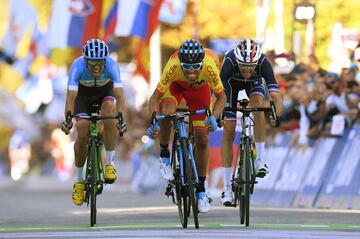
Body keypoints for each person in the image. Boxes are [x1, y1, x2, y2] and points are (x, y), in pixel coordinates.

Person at [148, 39, 227, 213]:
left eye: (195, 69)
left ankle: (200, 191)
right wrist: (153, 119)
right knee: (167, 111)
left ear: (202, 64)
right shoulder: (174, 64)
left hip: (200, 92)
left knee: (202, 137)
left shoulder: (209, 65)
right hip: (175, 87)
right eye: (187, 69)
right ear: (181, 64)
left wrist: (214, 117)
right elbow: (155, 97)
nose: (191, 74)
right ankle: (164, 154)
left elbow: (222, 97)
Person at [61, 39, 127, 206]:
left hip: (105, 93)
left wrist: (121, 118)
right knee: (82, 132)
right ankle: (79, 181)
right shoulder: (77, 66)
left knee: (110, 111)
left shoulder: (112, 65)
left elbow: (120, 97)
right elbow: (70, 98)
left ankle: (110, 163)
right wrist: (68, 120)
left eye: (100, 63)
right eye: (92, 63)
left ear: (105, 60)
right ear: (85, 61)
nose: (96, 67)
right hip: (82, 97)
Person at [220, 39, 283, 205]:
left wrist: (277, 114)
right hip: (231, 87)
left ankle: (259, 160)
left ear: (256, 62)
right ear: (237, 62)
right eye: (243, 67)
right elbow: (218, 95)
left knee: (258, 106)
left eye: (250, 67)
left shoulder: (263, 62)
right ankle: (227, 188)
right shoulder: (228, 63)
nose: (247, 71)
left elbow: (276, 95)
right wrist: (218, 114)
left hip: (253, 86)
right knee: (229, 128)